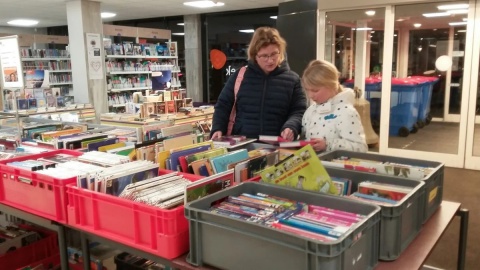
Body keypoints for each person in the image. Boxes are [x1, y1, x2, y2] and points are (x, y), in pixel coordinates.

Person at [210, 27, 307, 140]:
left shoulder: (293, 80)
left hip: (278, 146)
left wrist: (291, 126)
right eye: (265, 56)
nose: (270, 60)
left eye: (274, 54)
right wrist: (218, 128)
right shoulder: (240, 77)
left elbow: (299, 110)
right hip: (243, 145)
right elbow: (223, 105)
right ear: (254, 55)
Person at [301, 60, 368, 153]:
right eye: (307, 90)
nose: (310, 95)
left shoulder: (346, 112)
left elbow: (360, 148)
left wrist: (328, 144)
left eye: (315, 90)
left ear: (332, 85)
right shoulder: (311, 111)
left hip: (335, 167)